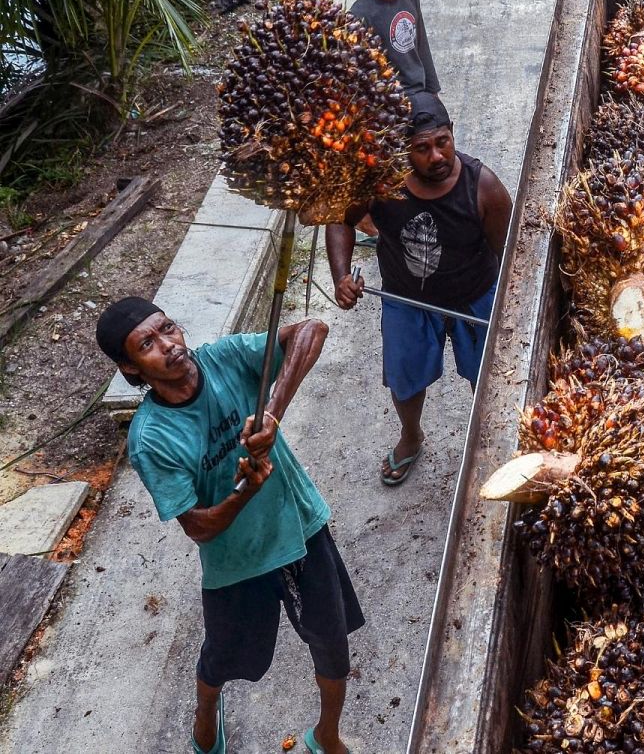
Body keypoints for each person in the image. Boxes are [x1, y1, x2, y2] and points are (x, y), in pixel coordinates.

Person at [95, 298, 362, 754]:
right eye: (148, 344)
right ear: (131, 369)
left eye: (168, 329)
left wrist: (272, 412)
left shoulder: (224, 358)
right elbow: (197, 527)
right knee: (223, 658)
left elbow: (311, 329)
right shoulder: (151, 438)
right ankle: (206, 713)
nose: (169, 345)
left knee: (333, 647)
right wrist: (243, 494)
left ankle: (328, 736)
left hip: (299, 527)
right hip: (235, 563)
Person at [327, 92, 511, 486]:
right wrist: (341, 275)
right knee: (405, 379)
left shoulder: (485, 188)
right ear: (402, 151)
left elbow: (512, 256)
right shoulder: (381, 184)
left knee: (491, 378)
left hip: (474, 296)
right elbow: (340, 219)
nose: (436, 156)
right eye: (421, 148)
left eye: (442, 142)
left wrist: (505, 308)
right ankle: (411, 436)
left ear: (453, 134)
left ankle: (491, 442)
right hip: (406, 300)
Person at [349, 0, 441, 98]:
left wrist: (433, 92)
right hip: (392, 99)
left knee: (442, 122)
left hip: (420, 91)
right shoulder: (360, 15)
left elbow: (422, 45)